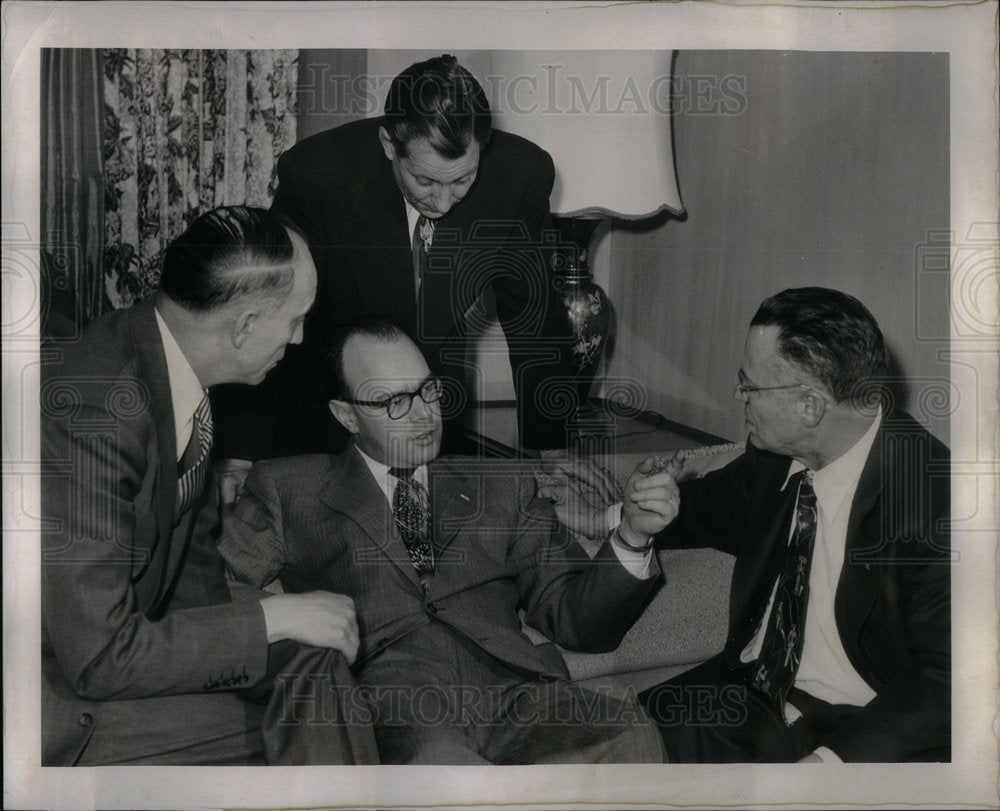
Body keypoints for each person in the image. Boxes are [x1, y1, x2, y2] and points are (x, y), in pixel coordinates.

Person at [219, 314, 677, 764]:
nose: (424, 415)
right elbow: (213, 591)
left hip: (518, 693)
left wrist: (633, 534)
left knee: (628, 733)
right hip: (394, 700)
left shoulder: (503, 485)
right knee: (445, 770)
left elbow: (578, 622)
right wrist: (292, 623)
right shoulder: (288, 487)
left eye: (428, 390)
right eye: (393, 402)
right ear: (347, 415)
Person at [40, 207, 378, 766]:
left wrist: (275, 628)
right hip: (52, 689)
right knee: (306, 722)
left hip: (114, 645)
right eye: (295, 320)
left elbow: (191, 564)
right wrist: (274, 617)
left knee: (312, 667)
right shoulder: (95, 412)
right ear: (244, 325)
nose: (297, 340)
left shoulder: (168, 363)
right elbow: (98, 657)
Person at [210, 53, 612, 505]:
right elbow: (268, 306)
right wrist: (241, 452)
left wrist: (551, 446)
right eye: (425, 181)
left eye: (462, 180)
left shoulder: (520, 177)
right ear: (388, 144)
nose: (443, 202)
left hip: (435, 407)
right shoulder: (318, 174)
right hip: (330, 404)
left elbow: (532, 316)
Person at [631, 287, 950, 762]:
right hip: (747, 692)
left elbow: (952, 680)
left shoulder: (938, 504)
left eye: (749, 385)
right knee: (605, 738)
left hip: (855, 729)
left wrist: (827, 769)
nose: (738, 395)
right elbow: (700, 507)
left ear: (810, 406)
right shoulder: (775, 457)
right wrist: (621, 511)